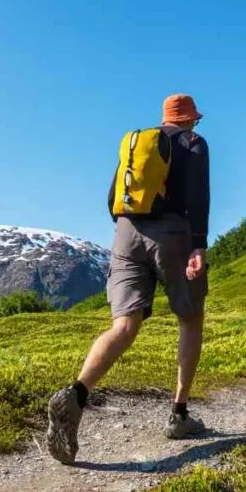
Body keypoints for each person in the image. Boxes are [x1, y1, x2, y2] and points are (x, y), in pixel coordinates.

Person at [45, 94, 211, 465]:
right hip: (174, 233)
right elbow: (199, 197)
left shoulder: (139, 143)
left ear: (165, 118)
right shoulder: (193, 143)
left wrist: (133, 231)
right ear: (191, 120)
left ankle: (76, 392)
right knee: (190, 317)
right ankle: (179, 414)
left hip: (125, 232)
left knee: (124, 325)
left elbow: (111, 199)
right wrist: (197, 245)